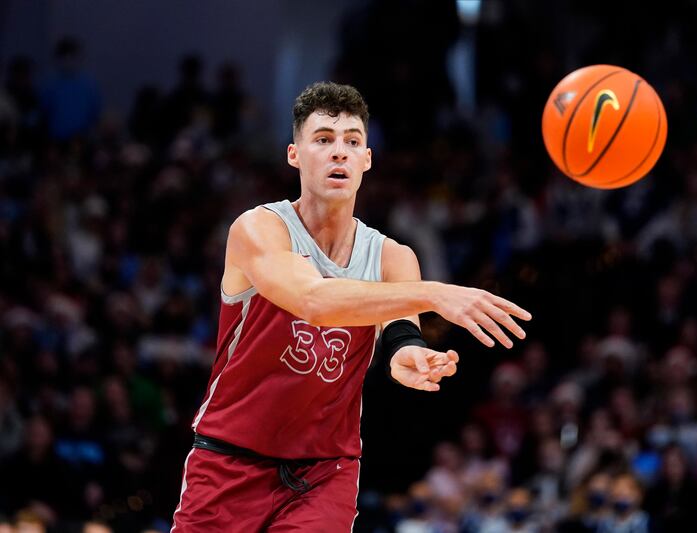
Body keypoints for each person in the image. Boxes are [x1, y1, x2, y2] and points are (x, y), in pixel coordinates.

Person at [171, 81, 531, 532]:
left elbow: (401, 335)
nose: (338, 152)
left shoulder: (394, 258)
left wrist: (410, 358)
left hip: (325, 470)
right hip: (229, 460)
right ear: (294, 155)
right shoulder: (259, 229)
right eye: (323, 140)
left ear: (367, 160)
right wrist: (435, 292)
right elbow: (314, 300)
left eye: (352, 142)